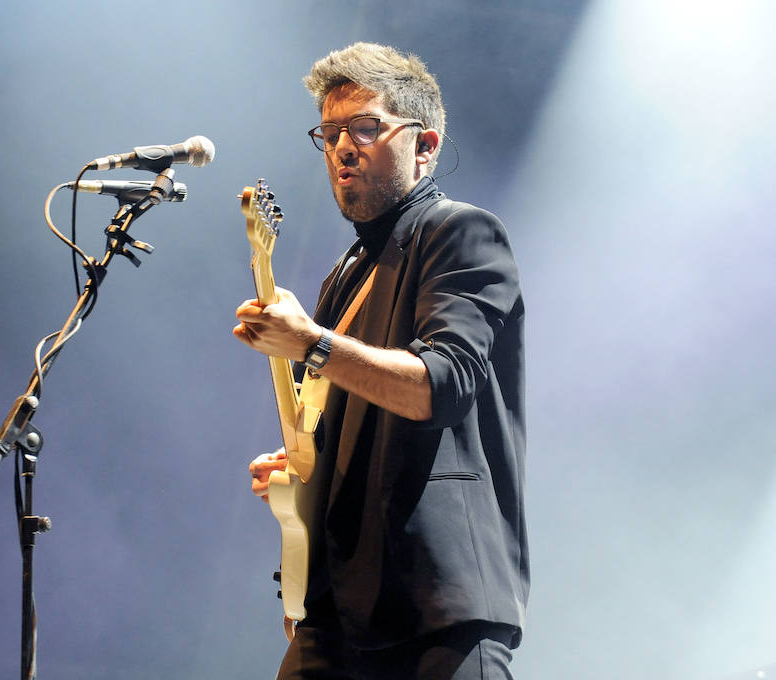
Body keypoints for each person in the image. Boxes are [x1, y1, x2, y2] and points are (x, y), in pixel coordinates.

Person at [233, 42, 528, 680]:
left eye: (365, 127)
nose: (343, 147)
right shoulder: (346, 275)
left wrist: (312, 342)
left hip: (437, 609)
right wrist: (298, 473)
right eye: (331, 132)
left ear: (425, 144)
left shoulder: (461, 232)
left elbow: (439, 388)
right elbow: (352, 414)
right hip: (338, 611)